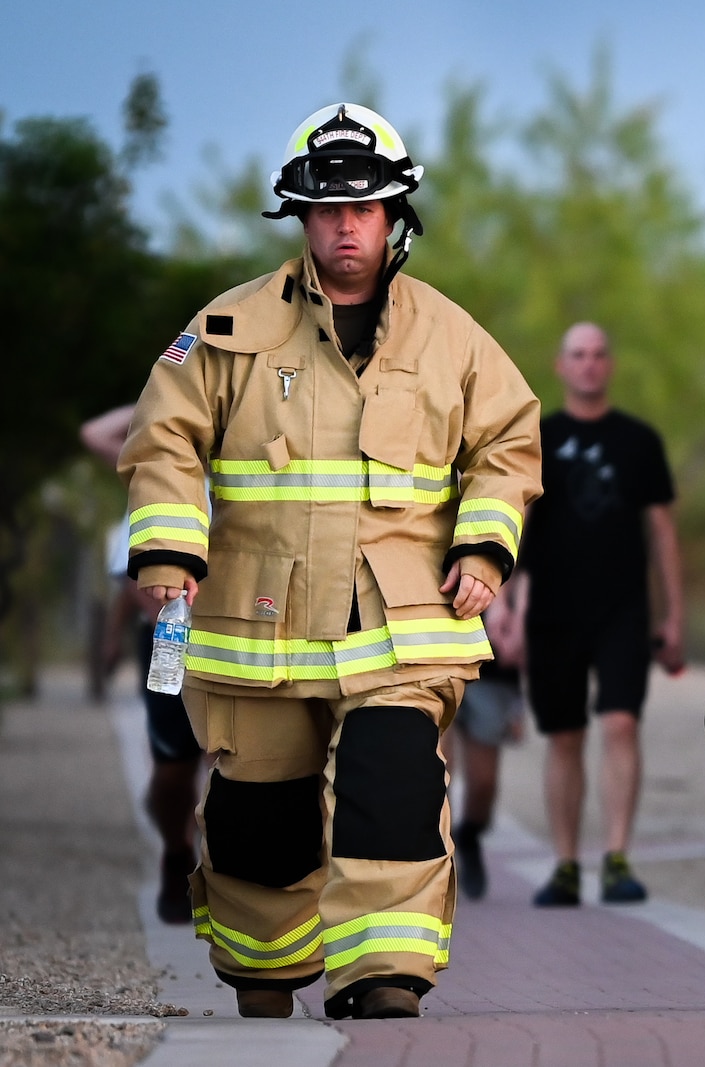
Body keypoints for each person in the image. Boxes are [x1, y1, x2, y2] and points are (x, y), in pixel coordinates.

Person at [117, 103, 543, 1021]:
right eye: (326, 210)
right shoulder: (226, 329)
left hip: (400, 623)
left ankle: (383, 978)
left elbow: (509, 444)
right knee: (260, 828)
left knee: (392, 786)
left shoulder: (454, 338)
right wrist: (164, 549)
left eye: (366, 208)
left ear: (396, 218)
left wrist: (483, 544)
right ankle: (266, 982)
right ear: (300, 218)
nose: (346, 226)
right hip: (255, 625)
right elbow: (163, 443)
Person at [521, 322, 683, 907]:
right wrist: (508, 613)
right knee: (563, 736)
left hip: (623, 608)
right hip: (553, 613)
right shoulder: (535, 441)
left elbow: (661, 533)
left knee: (620, 724)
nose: (589, 364)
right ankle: (565, 864)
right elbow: (517, 532)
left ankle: (616, 858)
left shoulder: (638, 441)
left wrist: (672, 617)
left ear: (609, 365)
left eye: (598, 354)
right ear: (561, 366)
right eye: (577, 355)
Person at [81, 403, 205, 925]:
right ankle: (177, 847)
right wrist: (171, 391)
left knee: (246, 772)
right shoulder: (154, 474)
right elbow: (95, 432)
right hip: (171, 644)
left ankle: (234, 883)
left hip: (248, 639)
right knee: (174, 774)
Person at [447, 568, 528, 901]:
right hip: (438, 653)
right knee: (438, 773)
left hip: (492, 663)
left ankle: (470, 836)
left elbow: (524, 568)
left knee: (484, 783)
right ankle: (438, 859)